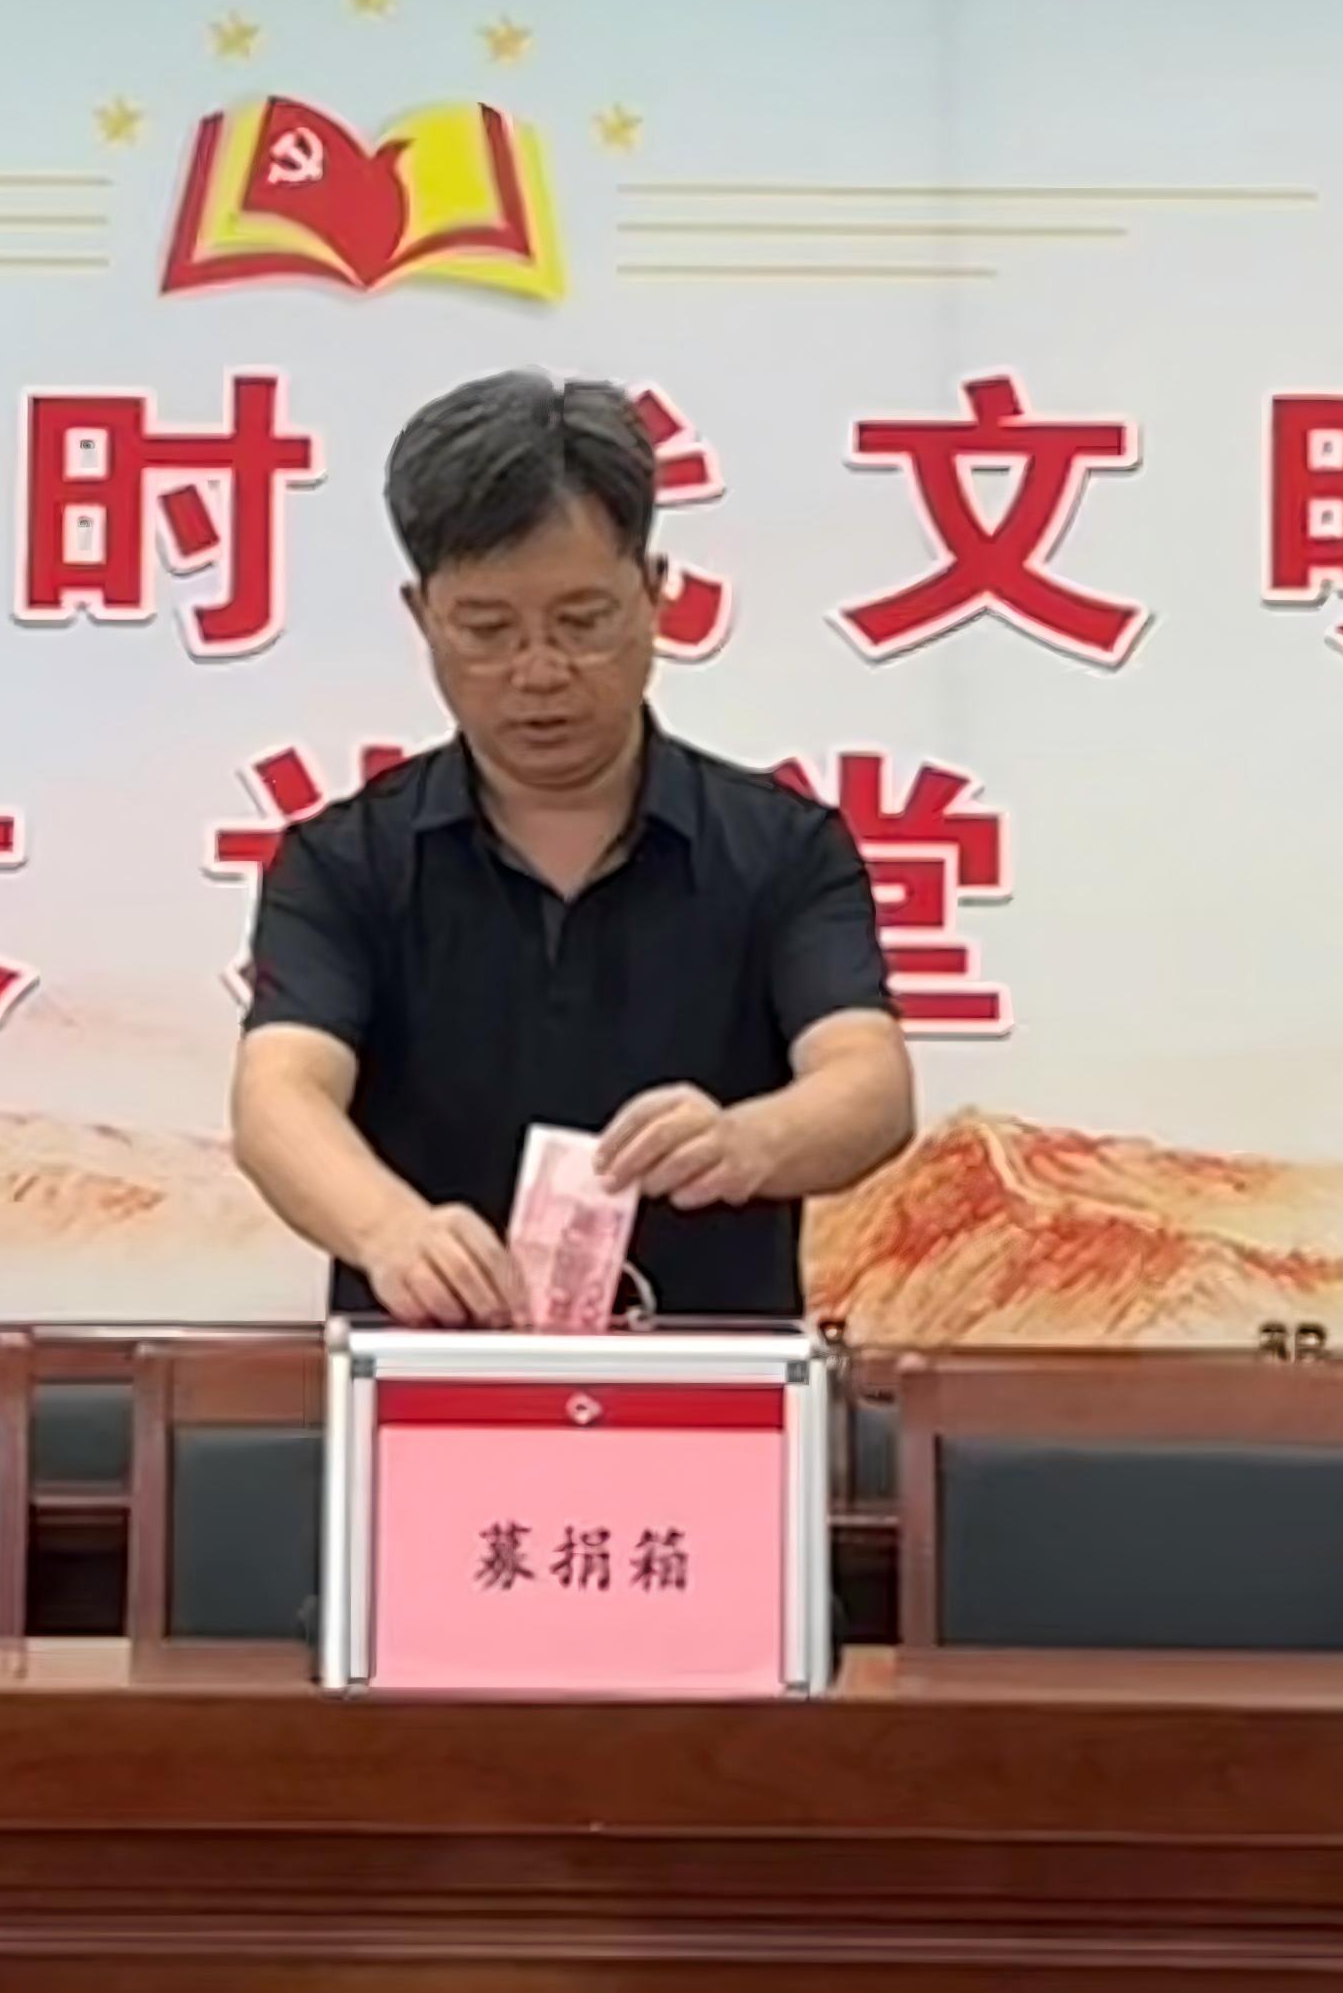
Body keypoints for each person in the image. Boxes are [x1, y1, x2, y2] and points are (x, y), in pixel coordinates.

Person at [229, 371, 919, 1326]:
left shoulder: (781, 848)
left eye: (581, 622)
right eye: (487, 629)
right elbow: (279, 1096)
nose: (539, 671)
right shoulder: (344, 863)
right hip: (430, 1379)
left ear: (654, 593)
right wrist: (389, 1229)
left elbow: (869, 1083)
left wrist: (749, 1140)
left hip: (709, 1386)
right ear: (422, 615)